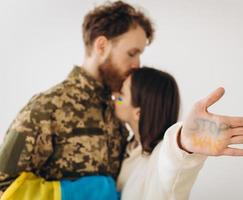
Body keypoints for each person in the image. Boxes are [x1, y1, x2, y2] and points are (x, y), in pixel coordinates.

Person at [0, 1, 154, 197]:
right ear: (102, 46)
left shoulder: (118, 109)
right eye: (132, 53)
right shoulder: (48, 108)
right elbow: (3, 185)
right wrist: (74, 194)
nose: (137, 65)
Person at [114, 67, 243, 199]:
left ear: (138, 113)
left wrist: (183, 144)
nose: (115, 97)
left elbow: (173, 166)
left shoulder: (160, 156)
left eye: (122, 94)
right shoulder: (131, 149)